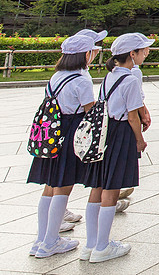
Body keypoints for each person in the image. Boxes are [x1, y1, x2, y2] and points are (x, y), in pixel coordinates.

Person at [26, 32, 100, 259]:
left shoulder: (56, 76)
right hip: (70, 134)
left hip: (52, 135)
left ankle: (41, 240)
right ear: (85, 54)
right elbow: (91, 111)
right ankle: (50, 242)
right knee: (63, 186)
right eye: (93, 51)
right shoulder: (81, 80)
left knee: (49, 186)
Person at [83, 32, 153, 263]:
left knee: (98, 185)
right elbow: (133, 117)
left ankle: (91, 244)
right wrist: (139, 140)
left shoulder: (109, 76)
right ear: (132, 55)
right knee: (111, 189)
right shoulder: (131, 79)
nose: (146, 53)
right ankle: (103, 246)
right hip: (121, 131)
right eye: (143, 50)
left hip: (104, 132)